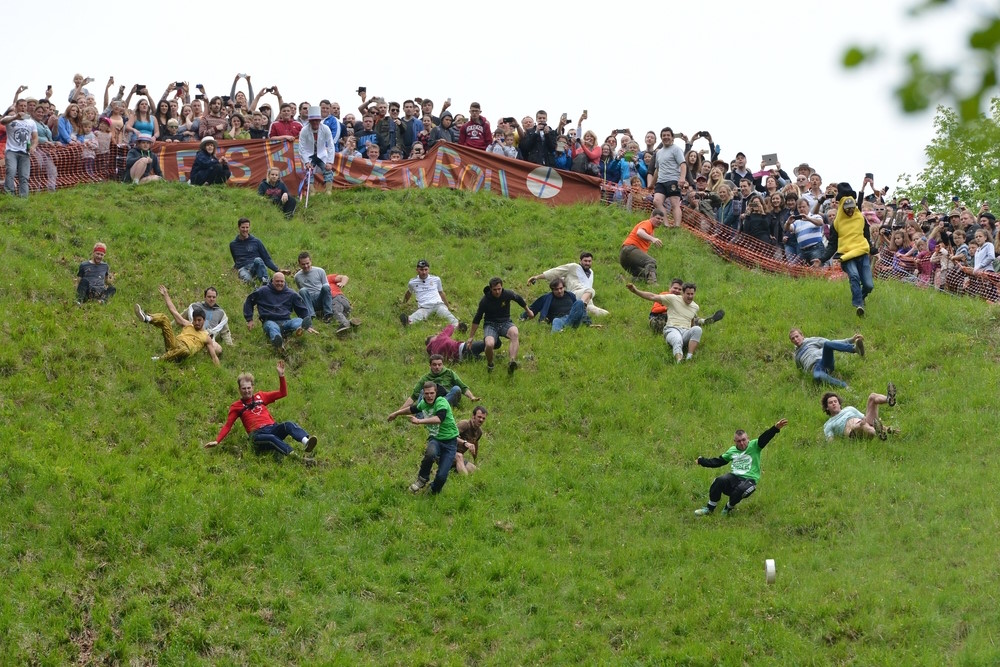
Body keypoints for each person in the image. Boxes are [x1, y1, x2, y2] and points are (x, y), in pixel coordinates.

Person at [204, 360, 318, 459]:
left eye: (249, 388)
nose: (247, 391)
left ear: (253, 387)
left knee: (288, 424)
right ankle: (294, 456)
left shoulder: (261, 396)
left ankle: (306, 442)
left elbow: (283, 393)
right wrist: (217, 440)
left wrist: (281, 376)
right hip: (257, 435)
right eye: (243, 388)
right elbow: (228, 425)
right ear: (239, 389)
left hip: (272, 428)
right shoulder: (236, 406)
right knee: (271, 438)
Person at [693, 418, 789, 516]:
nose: (742, 443)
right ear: (735, 441)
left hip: (749, 479)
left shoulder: (755, 445)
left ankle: (728, 507)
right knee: (719, 481)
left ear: (748, 439)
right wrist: (702, 461)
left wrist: (775, 428)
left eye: (744, 440)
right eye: (739, 441)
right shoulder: (732, 451)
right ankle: (709, 509)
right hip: (734, 477)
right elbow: (718, 461)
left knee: (741, 489)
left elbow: (765, 437)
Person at [387, 381, 461, 495]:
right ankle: (422, 479)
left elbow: (439, 418)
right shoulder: (424, 403)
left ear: (436, 393)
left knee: (442, 476)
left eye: (432, 393)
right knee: (430, 453)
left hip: (450, 443)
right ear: (424, 394)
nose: (429, 396)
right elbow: (412, 409)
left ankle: (433, 491)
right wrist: (396, 413)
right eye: (426, 393)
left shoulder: (441, 402)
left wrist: (419, 421)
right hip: (436, 439)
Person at [626, 282, 724, 362]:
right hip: (672, 329)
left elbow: (692, 321)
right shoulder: (672, 299)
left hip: (685, 331)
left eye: (692, 294)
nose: (690, 296)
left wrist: (692, 332)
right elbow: (652, 296)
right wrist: (635, 290)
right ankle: (679, 360)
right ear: (683, 293)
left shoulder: (695, 307)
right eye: (688, 294)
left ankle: (689, 357)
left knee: (697, 329)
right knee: (677, 339)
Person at [820, 183, 876, 316]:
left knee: (869, 285)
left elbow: (866, 238)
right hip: (846, 255)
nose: (850, 211)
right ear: (842, 208)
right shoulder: (836, 224)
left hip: (862, 253)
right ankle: (858, 305)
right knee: (855, 277)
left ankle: (861, 297)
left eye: (852, 208)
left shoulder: (861, 219)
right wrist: (822, 258)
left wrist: (873, 250)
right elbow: (832, 245)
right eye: (847, 208)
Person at [133, 285, 221, 365]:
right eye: (195, 320)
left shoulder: (206, 337)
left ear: (204, 320)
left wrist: (219, 374)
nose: (197, 323)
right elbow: (174, 311)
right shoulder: (188, 324)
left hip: (184, 351)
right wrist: (166, 295)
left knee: (185, 351)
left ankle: (159, 359)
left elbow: (214, 356)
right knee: (164, 318)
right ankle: (147, 318)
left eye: (199, 320)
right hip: (175, 343)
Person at [466, 277, 533, 375]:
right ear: (490, 289)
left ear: (502, 287)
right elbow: (477, 318)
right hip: (490, 325)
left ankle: (512, 361)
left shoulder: (507, 294)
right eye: (494, 290)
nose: (497, 292)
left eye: (499, 289)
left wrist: (528, 310)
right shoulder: (485, 301)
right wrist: (471, 337)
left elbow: (518, 298)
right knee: (489, 344)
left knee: (514, 332)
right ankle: (490, 364)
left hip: (505, 322)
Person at [243, 271, 312, 351]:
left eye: (282, 281)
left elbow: (301, 308)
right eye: (277, 281)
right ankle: (278, 343)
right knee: (273, 327)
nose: (280, 283)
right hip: (269, 321)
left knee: (298, 320)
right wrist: (249, 319)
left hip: (286, 321)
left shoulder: (291, 293)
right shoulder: (263, 291)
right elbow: (249, 301)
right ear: (272, 281)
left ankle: (300, 329)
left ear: (284, 282)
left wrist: (309, 324)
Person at [392, 354, 480, 416]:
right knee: (423, 391)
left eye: (439, 364)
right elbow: (413, 396)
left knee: (456, 388)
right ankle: (421, 415)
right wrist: (399, 411)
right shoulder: (425, 378)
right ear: (430, 365)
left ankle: (433, 410)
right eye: (434, 365)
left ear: (442, 365)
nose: (437, 367)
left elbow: (462, 387)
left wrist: (472, 397)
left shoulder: (449, 373)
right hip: (431, 400)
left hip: (447, 399)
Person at [527, 252, 609, 317]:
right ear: (580, 261)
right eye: (585, 261)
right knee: (590, 290)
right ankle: (579, 306)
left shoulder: (591, 272)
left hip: (587, 299)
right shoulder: (573, 267)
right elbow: (555, 272)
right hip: (574, 294)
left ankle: (582, 308)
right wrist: (537, 277)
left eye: (589, 261)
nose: (587, 263)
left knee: (605, 313)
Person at [790, 329, 864, 388]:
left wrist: (851, 340)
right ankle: (844, 386)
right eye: (793, 339)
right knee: (817, 375)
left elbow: (831, 342)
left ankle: (854, 349)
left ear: (802, 336)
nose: (796, 339)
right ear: (791, 341)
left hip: (824, 360)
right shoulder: (797, 356)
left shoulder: (811, 340)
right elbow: (801, 371)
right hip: (815, 368)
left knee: (827, 344)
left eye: (797, 336)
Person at [822, 383, 899, 441]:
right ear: (827, 407)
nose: (834, 403)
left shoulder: (849, 409)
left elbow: (869, 421)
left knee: (872, 397)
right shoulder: (828, 424)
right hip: (852, 433)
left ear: (839, 403)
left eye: (835, 401)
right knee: (862, 425)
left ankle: (889, 399)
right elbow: (831, 442)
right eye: (830, 403)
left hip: (864, 424)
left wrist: (889, 429)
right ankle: (878, 433)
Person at [401, 259, 459, 327]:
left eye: (426, 269)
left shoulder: (436, 279)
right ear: (417, 270)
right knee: (418, 315)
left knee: (447, 314)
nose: (424, 272)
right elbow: (408, 293)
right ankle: (407, 321)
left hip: (438, 305)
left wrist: (447, 306)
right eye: (421, 270)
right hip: (424, 307)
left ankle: (458, 326)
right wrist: (403, 303)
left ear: (429, 269)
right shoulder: (412, 282)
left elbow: (441, 293)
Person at [650, 127, 687, 229]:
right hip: (661, 181)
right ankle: (666, 225)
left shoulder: (676, 149)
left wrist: (682, 178)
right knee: (656, 201)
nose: (666, 137)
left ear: (672, 137)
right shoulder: (658, 152)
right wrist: (652, 184)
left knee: (675, 204)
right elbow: (657, 169)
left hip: (673, 180)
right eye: (663, 135)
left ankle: (676, 227)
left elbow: (683, 164)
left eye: (668, 135)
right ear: (661, 138)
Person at [525, 278, 591, 332]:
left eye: (561, 288)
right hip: (560, 320)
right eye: (556, 289)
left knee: (579, 302)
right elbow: (533, 308)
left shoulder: (570, 295)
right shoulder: (547, 298)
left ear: (564, 287)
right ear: (552, 290)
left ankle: (567, 329)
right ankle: (558, 334)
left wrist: (587, 321)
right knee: (556, 320)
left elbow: (580, 310)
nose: (559, 291)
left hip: (572, 317)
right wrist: (523, 317)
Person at [2, 99, 37, 197]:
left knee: (24, 176)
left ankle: (24, 198)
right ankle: (9, 195)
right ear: (16, 107)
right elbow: (2, 121)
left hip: (25, 152)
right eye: (21, 105)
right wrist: (15, 117)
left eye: (25, 106)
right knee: (11, 171)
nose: (23, 107)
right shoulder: (11, 118)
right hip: (11, 151)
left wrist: (33, 146)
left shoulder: (31, 122)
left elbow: (35, 137)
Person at [292, 251, 337, 329]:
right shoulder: (297, 276)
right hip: (309, 300)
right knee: (302, 290)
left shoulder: (320, 271)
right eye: (303, 264)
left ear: (311, 261)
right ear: (299, 264)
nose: (306, 266)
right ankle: (311, 316)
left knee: (326, 287)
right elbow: (301, 291)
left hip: (320, 297)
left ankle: (328, 315)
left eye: (307, 263)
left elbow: (326, 286)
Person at [298, 106, 337, 194]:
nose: (315, 122)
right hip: (309, 155)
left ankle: (328, 191)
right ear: (309, 121)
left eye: (317, 120)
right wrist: (306, 162)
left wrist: (330, 162)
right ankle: (312, 191)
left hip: (322, 154)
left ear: (320, 120)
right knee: (309, 172)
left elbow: (331, 145)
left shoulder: (326, 128)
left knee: (327, 170)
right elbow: (301, 147)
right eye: (313, 120)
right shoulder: (304, 130)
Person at [230, 217, 280, 285]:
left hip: (255, 265)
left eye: (247, 227)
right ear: (238, 227)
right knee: (248, 280)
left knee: (258, 260)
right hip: (243, 268)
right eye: (243, 227)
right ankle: (255, 288)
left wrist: (278, 270)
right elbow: (236, 260)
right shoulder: (233, 245)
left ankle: (266, 283)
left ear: (249, 228)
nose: (245, 230)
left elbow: (266, 258)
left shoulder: (256, 242)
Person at [620, 210, 666, 283]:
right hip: (630, 249)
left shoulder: (651, 230)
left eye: (662, 219)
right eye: (658, 218)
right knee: (651, 261)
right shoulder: (647, 223)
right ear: (651, 217)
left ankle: (623, 280)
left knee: (645, 275)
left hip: (626, 258)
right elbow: (639, 232)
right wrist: (653, 239)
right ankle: (653, 284)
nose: (660, 221)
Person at [424, 324, 491, 363]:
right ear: (434, 337)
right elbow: (450, 328)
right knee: (487, 343)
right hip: (463, 348)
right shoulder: (440, 337)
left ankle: (498, 357)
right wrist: (456, 325)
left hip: (462, 359)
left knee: (485, 358)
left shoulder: (433, 353)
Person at [454, 406, 487, 475]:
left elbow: (475, 444)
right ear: (473, 416)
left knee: (477, 472)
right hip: (447, 452)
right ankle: (464, 482)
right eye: (479, 417)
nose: (481, 420)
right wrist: (465, 443)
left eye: (483, 418)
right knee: (459, 456)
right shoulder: (464, 424)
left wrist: (475, 458)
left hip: (459, 458)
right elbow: (450, 436)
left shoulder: (479, 432)